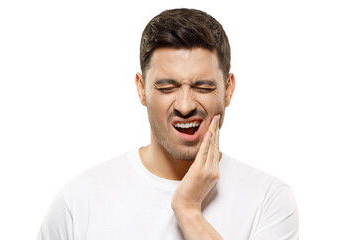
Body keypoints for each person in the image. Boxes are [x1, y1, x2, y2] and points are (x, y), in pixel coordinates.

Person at [37, 8, 299, 240]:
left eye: (203, 87)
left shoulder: (268, 199)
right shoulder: (80, 201)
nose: (185, 106)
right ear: (141, 89)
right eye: (166, 87)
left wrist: (188, 210)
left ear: (228, 90)